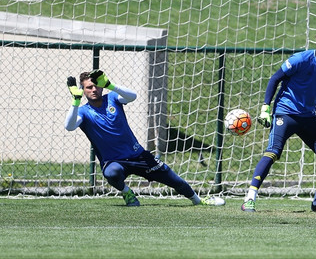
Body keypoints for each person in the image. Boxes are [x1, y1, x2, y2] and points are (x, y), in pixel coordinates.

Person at [64, 69, 225, 207]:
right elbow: (69, 126)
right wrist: (75, 101)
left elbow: (132, 96)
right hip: (114, 161)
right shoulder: (83, 111)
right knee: (112, 174)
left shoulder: (112, 98)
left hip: (138, 155)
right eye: (89, 87)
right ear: (83, 90)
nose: (94, 90)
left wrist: (110, 85)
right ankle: (127, 193)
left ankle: (199, 201)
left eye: (96, 86)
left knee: (173, 179)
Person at [242, 27, 316, 212]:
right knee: (273, 152)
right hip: (285, 113)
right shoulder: (300, 59)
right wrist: (266, 107)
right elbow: (275, 79)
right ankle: (250, 198)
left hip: (308, 117)